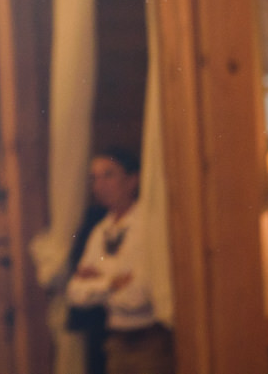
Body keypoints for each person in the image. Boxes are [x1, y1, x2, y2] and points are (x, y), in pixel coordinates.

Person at [66, 148, 172, 374]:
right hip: (115, 342)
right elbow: (75, 292)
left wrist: (96, 280)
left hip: (150, 342)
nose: (99, 185)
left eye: (108, 175)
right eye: (94, 178)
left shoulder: (147, 224)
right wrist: (112, 283)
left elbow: (138, 295)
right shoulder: (100, 230)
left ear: (132, 180)